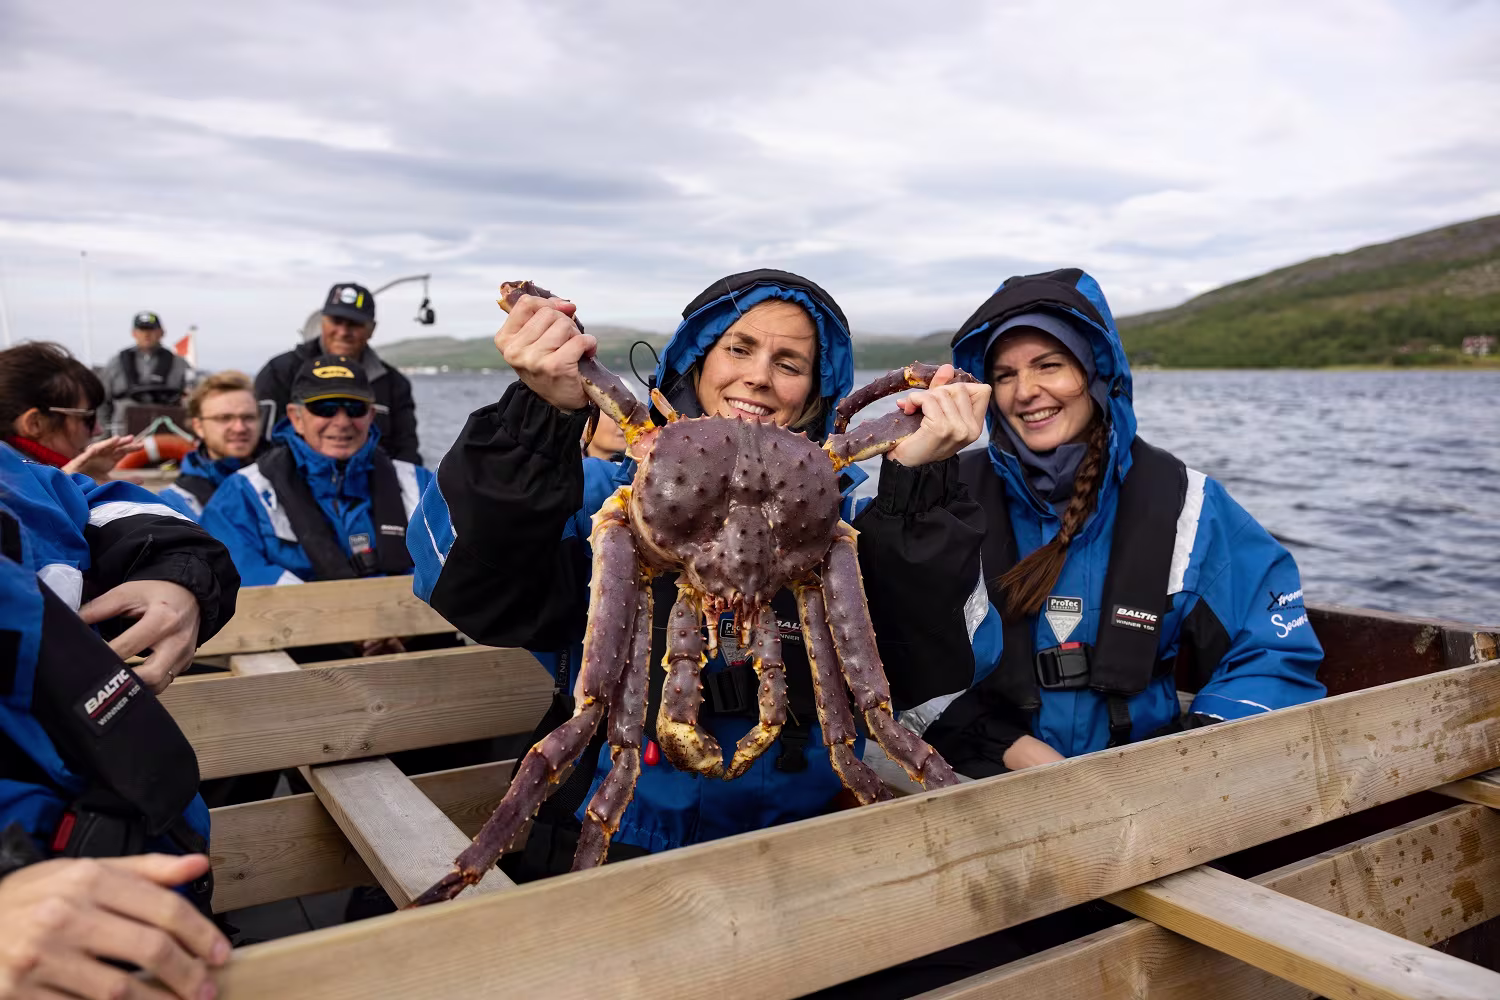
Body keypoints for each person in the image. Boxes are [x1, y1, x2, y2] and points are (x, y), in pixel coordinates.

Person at [408, 269, 991, 879]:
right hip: (617, 840)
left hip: (805, 853)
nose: (759, 376)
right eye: (738, 348)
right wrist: (539, 416)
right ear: (693, 365)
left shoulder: (852, 526)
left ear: (819, 394)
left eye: (790, 363)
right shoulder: (608, 501)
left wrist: (920, 489)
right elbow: (471, 588)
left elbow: (940, 664)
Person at [896, 268, 1325, 776]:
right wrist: (1007, 747)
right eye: (1005, 375)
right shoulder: (948, 497)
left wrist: (1193, 761)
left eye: (1048, 365)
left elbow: (1273, 649)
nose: (1025, 391)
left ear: (1097, 371)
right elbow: (900, 646)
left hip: (1153, 788)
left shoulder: (1185, 502)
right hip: (979, 781)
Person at [0, 436, 240, 925]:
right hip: (49, 936)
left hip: (160, 869)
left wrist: (178, 577)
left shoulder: (14, 472)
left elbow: (101, 503)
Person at [204, 355, 432, 659]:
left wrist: (396, 626)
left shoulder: (419, 484)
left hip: (414, 646)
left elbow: (446, 562)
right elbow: (243, 574)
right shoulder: (243, 493)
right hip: (300, 659)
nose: (341, 421)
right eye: (323, 408)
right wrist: (352, 628)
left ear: (371, 415)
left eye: (355, 408)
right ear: (296, 417)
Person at [255, 282, 422, 464]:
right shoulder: (279, 372)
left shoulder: (395, 385)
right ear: (322, 321)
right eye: (336, 321)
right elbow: (257, 444)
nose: (343, 332)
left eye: (354, 324)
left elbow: (407, 454)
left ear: (372, 329)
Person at [0, 342, 141, 481]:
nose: (98, 430)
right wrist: (69, 489)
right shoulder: (15, 492)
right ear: (35, 424)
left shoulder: (18, 479)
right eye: (88, 418)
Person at [159, 371, 261, 520]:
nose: (240, 428)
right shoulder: (174, 504)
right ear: (198, 426)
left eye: (249, 417)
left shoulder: (285, 479)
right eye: (224, 418)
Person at [99, 311, 190, 437]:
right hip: (124, 433)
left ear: (161, 333)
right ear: (134, 333)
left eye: (151, 330)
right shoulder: (116, 363)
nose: (147, 334)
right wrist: (104, 434)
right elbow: (102, 401)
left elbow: (192, 398)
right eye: (142, 330)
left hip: (167, 433)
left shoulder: (179, 364)